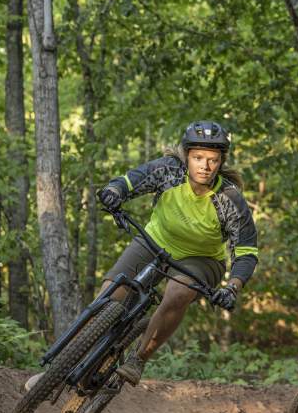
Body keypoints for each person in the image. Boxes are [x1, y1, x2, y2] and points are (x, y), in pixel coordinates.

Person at [25, 121, 258, 392]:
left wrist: (232, 287)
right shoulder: (169, 171)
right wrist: (113, 193)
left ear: (221, 162)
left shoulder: (230, 198)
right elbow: (131, 181)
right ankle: (55, 373)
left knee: (178, 293)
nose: (205, 166)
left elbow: (246, 252)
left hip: (201, 259)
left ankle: (138, 358)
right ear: (186, 156)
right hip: (154, 242)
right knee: (109, 297)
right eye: (198, 158)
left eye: (212, 160)